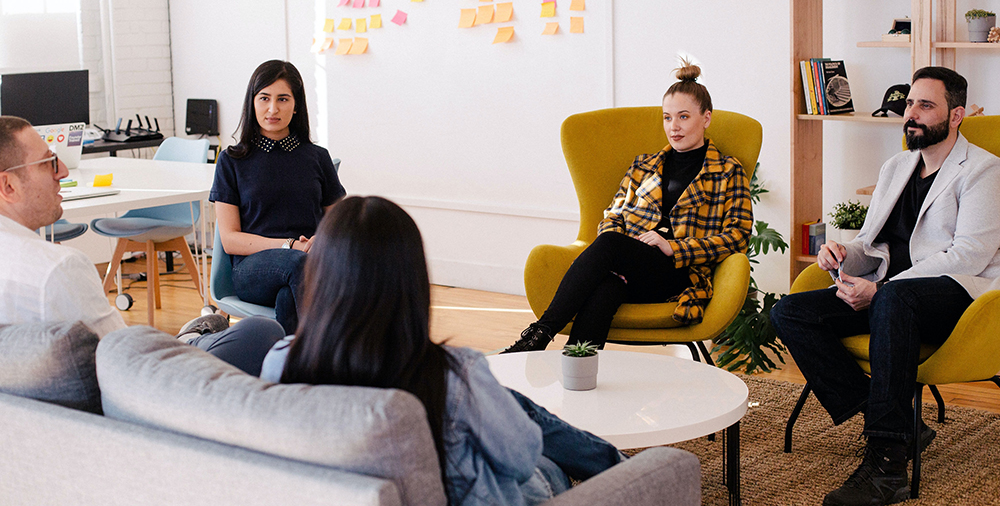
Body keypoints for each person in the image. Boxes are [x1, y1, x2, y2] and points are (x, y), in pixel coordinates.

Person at [260, 196, 625, 506]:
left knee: (506, 403)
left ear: (320, 276)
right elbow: (521, 458)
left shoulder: (281, 360)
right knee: (541, 456)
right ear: (411, 280)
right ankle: (626, 470)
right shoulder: (451, 373)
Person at [770, 67, 1000, 506]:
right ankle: (900, 421)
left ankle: (887, 466)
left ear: (956, 116)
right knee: (791, 311)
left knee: (893, 297)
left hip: (960, 297)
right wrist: (840, 253)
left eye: (925, 106)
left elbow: (969, 254)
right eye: (910, 102)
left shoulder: (984, 171)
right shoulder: (896, 166)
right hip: (893, 297)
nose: (911, 114)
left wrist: (881, 291)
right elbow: (872, 243)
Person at [0, 115, 284, 375]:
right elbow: (126, 359)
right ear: (8, 186)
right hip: (148, 387)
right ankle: (188, 342)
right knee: (260, 330)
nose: (62, 171)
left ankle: (187, 340)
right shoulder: (57, 270)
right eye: (48, 162)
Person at [501, 61, 753, 353]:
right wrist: (629, 250)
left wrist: (674, 247)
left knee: (609, 245)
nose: (674, 127)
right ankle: (576, 369)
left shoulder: (727, 171)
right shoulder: (643, 166)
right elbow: (613, 215)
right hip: (631, 266)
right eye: (667, 118)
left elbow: (738, 235)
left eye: (683, 117)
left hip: (679, 273)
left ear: (706, 118)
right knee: (606, 288)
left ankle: (539, 335)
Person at [210, 60, 346, 334]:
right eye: (264, 98)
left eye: (283, 99)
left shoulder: (317, 158)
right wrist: (290, 245)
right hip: (252, 270)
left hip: (306, 266)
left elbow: (342, 222)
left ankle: (290, 369)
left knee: (289, 297)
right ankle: (339, 355)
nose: (273, 109)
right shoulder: (231, 161)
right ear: (253, 103)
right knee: (300, 265)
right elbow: (230, 240)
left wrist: (323, 239)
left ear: (296, 106)